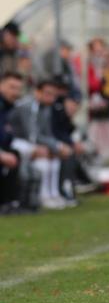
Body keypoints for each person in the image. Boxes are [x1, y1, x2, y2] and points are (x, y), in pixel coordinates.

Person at [8, 79, 72, 210]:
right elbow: (31, 134)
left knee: (54, 158)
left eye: (54, 95)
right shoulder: (27, 106)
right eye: (48, 94)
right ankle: (42, 196)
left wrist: (56, 147)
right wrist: (57, 146)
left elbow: (47, 133)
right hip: (17, 141)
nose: (51, 98)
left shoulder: (46, 108)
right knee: (43, 158)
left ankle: (53, 194)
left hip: (33, 141)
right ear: (37, 92)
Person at [0, 72, 25, 214]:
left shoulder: (9, 108)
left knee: (15, 154)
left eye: (18, 89)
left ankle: (10, 202)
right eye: (12, 87)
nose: (15, 92)